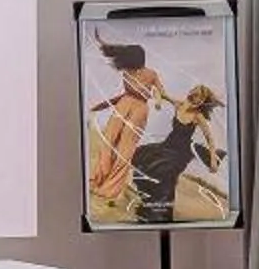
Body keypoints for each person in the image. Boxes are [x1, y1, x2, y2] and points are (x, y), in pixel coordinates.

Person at [130, 83, 226, 225]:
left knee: (165, 173)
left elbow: (210, 139)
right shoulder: (179, 105)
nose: (195, 102)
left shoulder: (198, 116)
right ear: (191, 95)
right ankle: (148, 204)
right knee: (141, 159)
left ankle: (161, 215)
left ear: (201, 103)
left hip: (181, 152)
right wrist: (157, 100)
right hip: (167, 145)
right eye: (194, 97)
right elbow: (160, 93)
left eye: (199, 101)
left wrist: (212, 160)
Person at [85, 39, 163, 210]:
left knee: (125, 150)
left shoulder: (152, 74)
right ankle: (96, 179)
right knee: (108, 141)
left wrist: (157, 102)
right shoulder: (126, 71)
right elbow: (124, 94)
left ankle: (109, 190)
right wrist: (101, 105)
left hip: (140, 110)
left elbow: (159, 91)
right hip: (123, 104)